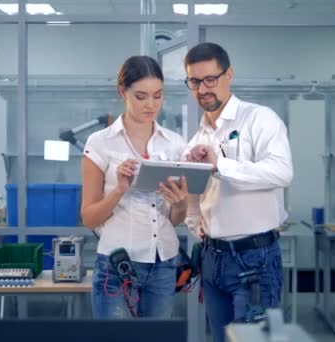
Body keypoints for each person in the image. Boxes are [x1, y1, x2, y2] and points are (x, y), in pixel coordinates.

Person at [183, 42, 293, 342]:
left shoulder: (259, 118)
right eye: (195, 81)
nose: (203, 89)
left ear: (228, 74)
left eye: (210, 79)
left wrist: (221, 165)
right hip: (212, 258)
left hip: (254, 258)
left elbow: (282, 172)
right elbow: (194, 195)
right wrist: (194, 223)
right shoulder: (197, 138)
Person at [81, 55, 189, 319]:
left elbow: (175, 220)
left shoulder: (174, 144)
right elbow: (89, 218)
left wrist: (180, 203)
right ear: (123, 92)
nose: (151, 105)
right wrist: (119, 189)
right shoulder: (100, 143)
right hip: (118, 266)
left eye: (157, 95)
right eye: (141, 96)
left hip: (164, 264)